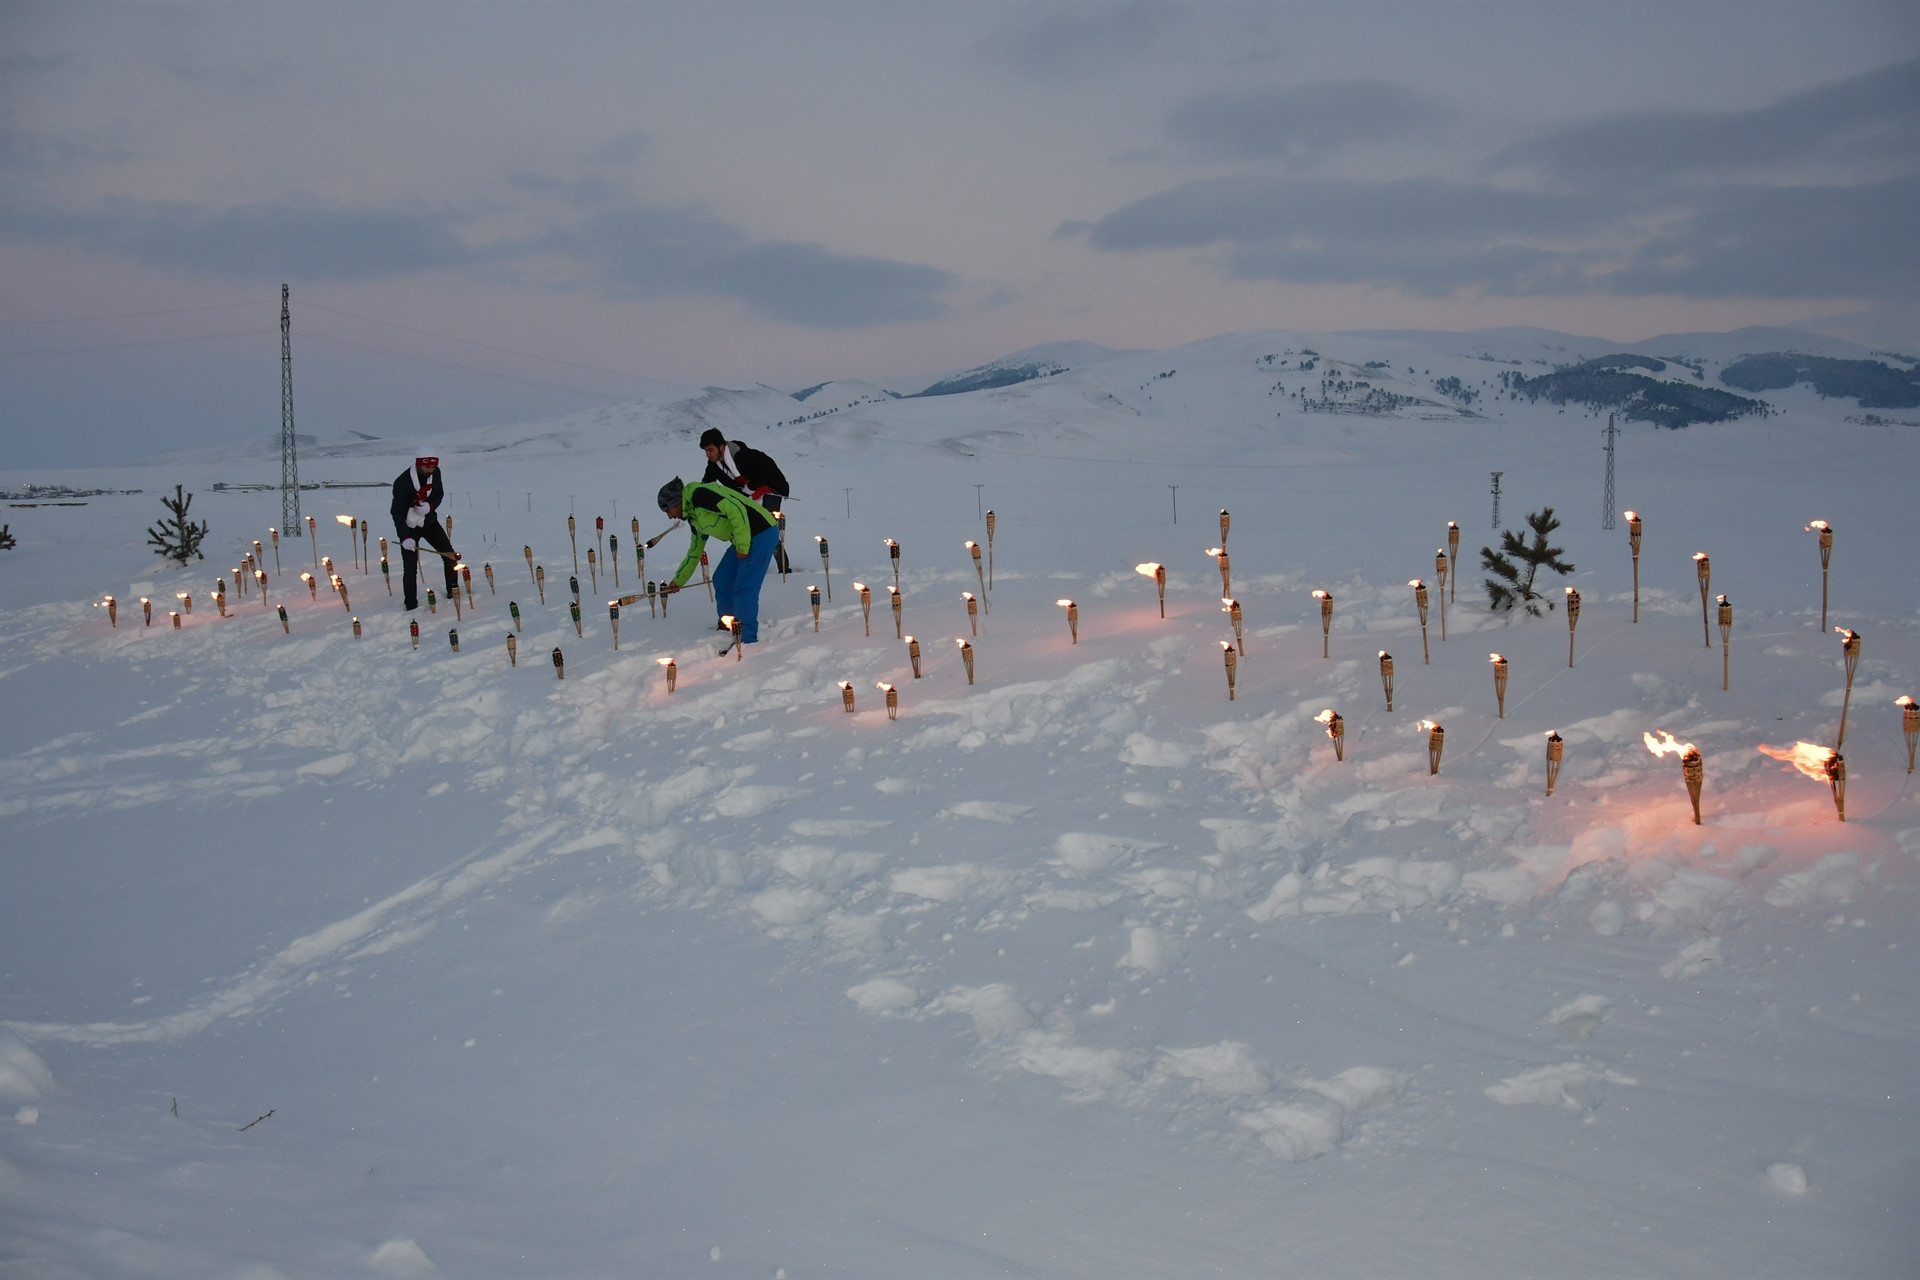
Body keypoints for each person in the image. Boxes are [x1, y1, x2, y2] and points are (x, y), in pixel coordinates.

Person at [657, 475, 778, 649]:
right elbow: (695, 551)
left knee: (744, 589)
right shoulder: (693, 516)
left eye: (667, 510)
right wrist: (679, 580)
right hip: (742, 539)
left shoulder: (701, 496)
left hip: (761, 533)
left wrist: (743, 547)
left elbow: (737, 510)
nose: (669, 516)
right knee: (722, 578)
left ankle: (747, 640)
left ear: (676, 502)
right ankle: (728, 625)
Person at [699, 428, 791, 572]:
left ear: (721, 447)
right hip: (748, 496)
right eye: (706, 451)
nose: (708, 455)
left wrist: (751, 486)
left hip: (771, 489)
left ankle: (784, 569)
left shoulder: (742, 455)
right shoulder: (713, 466)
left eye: (710, 450)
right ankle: (753, 564)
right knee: (752, 528)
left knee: (766, 526)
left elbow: (767, 470)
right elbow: (706, 485)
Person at [389, 447, 460, 611]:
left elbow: (439, 493)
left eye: (433, 467)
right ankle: (411, 605)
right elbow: (397, 512)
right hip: (409, 527)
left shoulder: (436, 474)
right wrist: (405, 537)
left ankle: (453, 591)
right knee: (410, 567)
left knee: (449, 555)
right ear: (419, 464)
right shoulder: (402, 483)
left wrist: (430, 506)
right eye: (428, 467)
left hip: (429, 522)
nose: (431, 470)